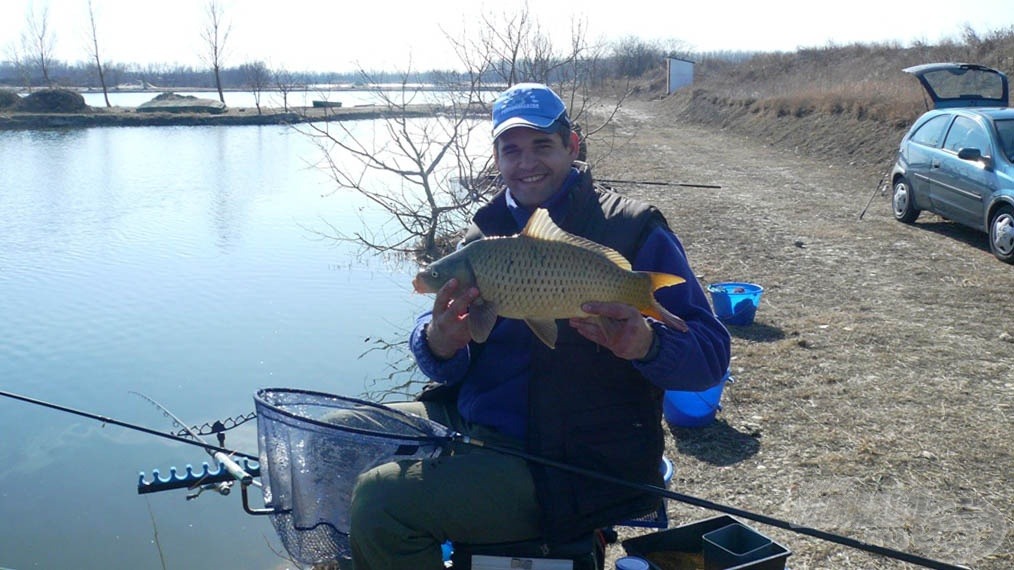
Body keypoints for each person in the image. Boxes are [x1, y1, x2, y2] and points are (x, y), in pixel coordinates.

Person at [347, 83, 731, 569]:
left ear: (572, 145)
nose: (526, 163)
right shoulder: (484, 236)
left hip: (570, 465)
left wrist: (647, 344)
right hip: (478, 424)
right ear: (497, 159)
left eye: (542, 146)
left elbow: (712, 358)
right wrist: (439, 342)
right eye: (512, 150)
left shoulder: (633, 229)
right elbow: (443, 350)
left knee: (382, 504)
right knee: (343, 433)